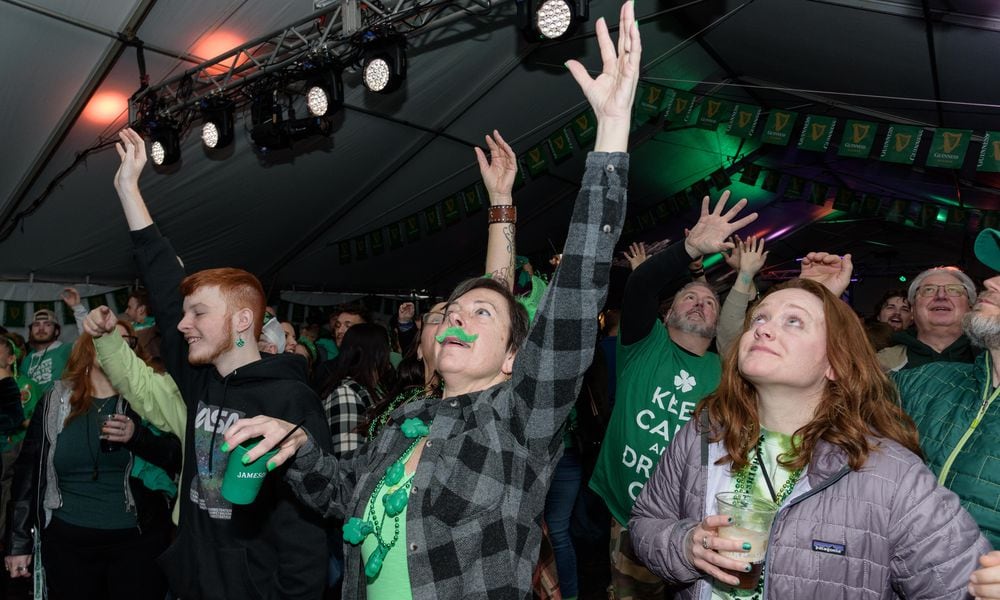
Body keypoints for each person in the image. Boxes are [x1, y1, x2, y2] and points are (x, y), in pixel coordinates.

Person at [220, 7, 640, 597]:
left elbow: (575, 299)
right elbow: (346, 501)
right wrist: (297, 449)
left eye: (482, 314)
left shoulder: (520, 419)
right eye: (453, 312)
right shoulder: (403, 420)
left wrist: (611, 134)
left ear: (515, 358)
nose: (458, 318)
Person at [628, 277, 990, 599]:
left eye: (794, 321)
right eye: (760, 318)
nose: (763, 330)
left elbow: (962, 586)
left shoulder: (891, 475)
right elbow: (645, 523)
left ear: (834, 362)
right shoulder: (704, 434)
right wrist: (684, 545)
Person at [110, 127, 331, 599]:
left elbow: (305, 527)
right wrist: (129, 190)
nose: (183, 323)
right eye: (187, 313)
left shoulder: (290, 398)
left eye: (200, 313)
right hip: (193, 581)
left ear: (242, 320)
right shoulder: (200, 380)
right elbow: (167, 289)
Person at [588, 192, 758, 599]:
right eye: (689, 297)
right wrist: (690, 249)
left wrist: (745, 280)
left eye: (710, 302)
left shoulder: (725, 370)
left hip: (697, 522)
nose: (701, 303)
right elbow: (642, 283)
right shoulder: (644, 343)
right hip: (631, 518)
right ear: (667, 314)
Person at [4, 321, 181, 600]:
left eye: (126, 341)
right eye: (107, 337)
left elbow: (177, 457)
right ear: (87, 345)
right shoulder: (56, 400)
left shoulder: (145, 399)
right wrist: (18, 542)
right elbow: (28, 471)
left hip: (136, 539)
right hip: (67, 541)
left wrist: (138, 438)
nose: (117, 345)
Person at [886, 227, 1000, 548]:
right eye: (928, 290)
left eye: (954, 290)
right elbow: (825, 397)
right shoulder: (931, 380)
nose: (990, 282)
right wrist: (818, 295)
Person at [877, 266, 979, 371]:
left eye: (953, 289)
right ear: (912, 309)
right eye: (928, 290)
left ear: (970, 307)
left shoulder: (991, 360)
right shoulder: (879, 365)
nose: (941, 295)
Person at [320, 322, 394, 456]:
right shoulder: (346, 393)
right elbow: (347, 459)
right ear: (378, 353)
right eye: (387, 347)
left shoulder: (375, 389)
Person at [21, 309, 72, 394]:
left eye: (47, 324)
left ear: (56, 331)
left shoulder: (67, 349)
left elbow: (88, 338)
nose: (41, 329)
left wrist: (77, 308)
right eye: (36, 325)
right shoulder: (27, 360)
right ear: (31, 331)